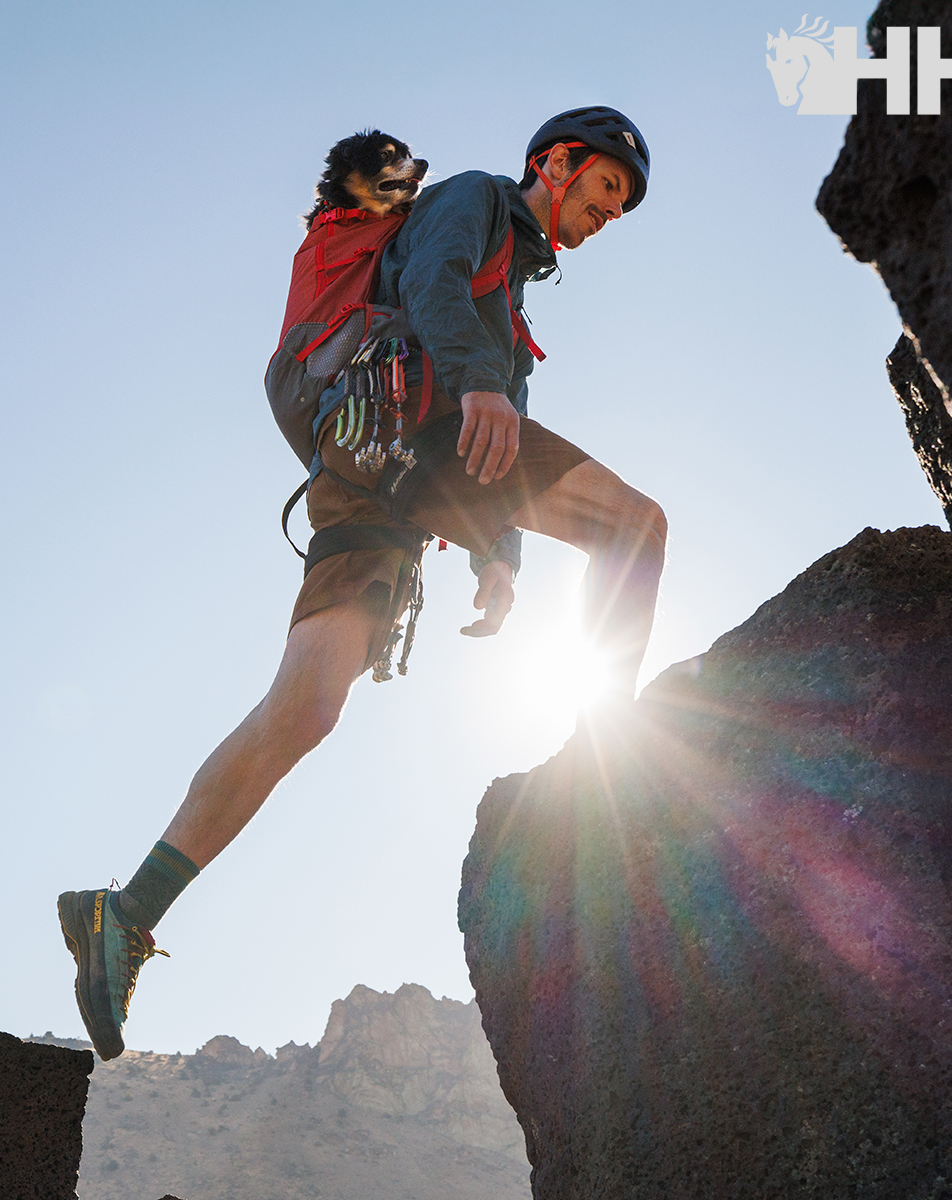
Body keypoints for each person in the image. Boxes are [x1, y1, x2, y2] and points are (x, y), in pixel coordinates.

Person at [58, 106, 667, 1060]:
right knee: (636, 528)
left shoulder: (512, 304)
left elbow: (495, 433)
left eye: (622, 204)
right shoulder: (475, 202)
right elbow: (430, 284)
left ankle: (123, 911)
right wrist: (477, 381)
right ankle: (611, 782)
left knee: (303, 706)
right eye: (606, 187)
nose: (611, 211)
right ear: (554, 163)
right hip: (405, 424)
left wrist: (496, 557)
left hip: (365, 452)